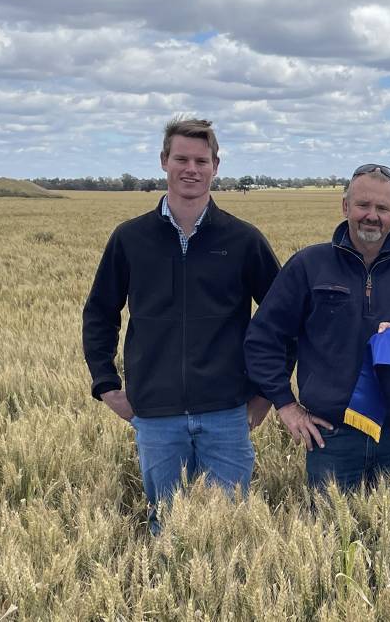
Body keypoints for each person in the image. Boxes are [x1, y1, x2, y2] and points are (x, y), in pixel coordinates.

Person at [82, 117, 280, 532]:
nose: (191, 168)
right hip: (156, 415)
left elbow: (283, 317)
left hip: (228, 413)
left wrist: (266, 394)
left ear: (215, 167)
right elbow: (100, 312)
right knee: (165, 528)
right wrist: (106, 385)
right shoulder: (130, 238)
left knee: (228, 532)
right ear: (164, 162)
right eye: (182, 159)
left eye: (201, 160)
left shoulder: (243, 239)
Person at [244, 163, 390, 490]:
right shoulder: (308, 266)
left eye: (382, 208)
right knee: (330, 535)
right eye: (363, 205)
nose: (371, 215)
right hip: (331, 434)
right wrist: (285, 404)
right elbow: (263, 337)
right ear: (345, 206)